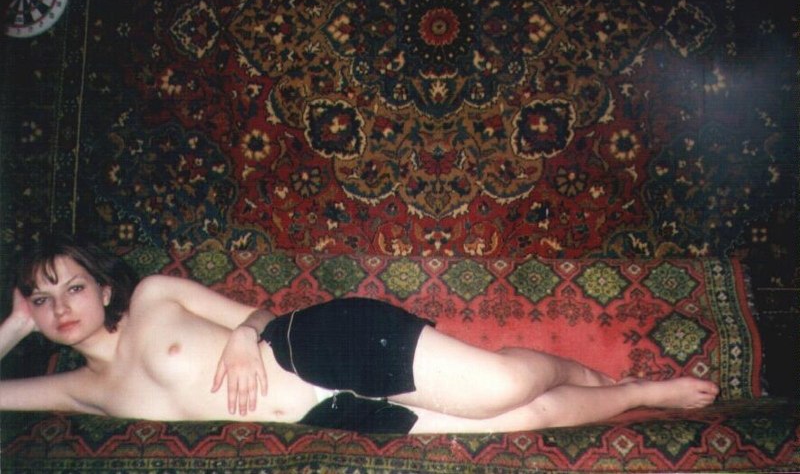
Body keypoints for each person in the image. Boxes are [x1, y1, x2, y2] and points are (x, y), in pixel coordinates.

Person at [0, 234, 719, 434]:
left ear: (104, 287)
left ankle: (613, 378)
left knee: (500, 385)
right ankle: (629, 393)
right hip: (326, 411)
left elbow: (257, 314)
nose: (60, 306)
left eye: (72, 287)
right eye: (42, 299)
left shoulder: (155, 296)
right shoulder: (82, 388)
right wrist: (11, 325)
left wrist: (244, 339)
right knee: (520, 418)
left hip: (317, 344)